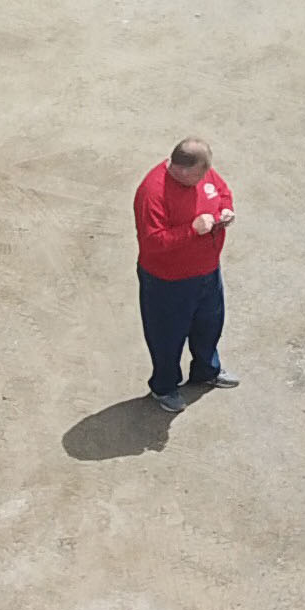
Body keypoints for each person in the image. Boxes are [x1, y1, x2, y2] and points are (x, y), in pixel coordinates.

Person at [132, 137, 238, 408]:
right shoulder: (153, 192)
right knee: (167, 337)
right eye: (201, 173)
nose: (206, 176)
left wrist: (226, 208)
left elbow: (221, 190)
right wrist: (192, 229)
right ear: (181, 170)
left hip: (207, 272)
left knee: (209, 325)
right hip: (169, 283)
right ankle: (164, 387)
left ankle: (206, 371)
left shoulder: (202, 172)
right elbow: (153, 242)